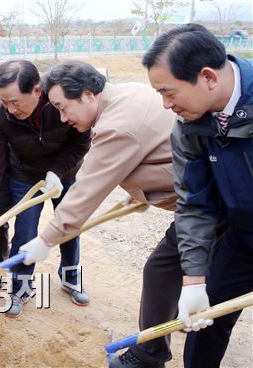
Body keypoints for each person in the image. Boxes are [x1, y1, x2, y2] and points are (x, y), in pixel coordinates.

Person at [17, 60, 182, 367]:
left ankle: (148, 356)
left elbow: (87, 189)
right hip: (199, 199)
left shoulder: (116, 125)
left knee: (162, 272)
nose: (63, 118)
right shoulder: (126, 94)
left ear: (89, 95)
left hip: (210, 206)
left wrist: (46, 238)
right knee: (177, 272)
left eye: (64, 108)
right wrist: (143, 193)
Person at [139, 24, 252, 368]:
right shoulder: (191, 126)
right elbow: (194, 203)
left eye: (169, 92)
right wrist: (193, 279)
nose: (165, 104)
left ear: (207, 77)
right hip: (243, 239)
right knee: (206, 320)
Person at [0, 60, 91, 318]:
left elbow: (80, 143)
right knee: (24, 232)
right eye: (4, 102)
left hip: (63, 174)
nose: (10, 110)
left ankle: (70, 276)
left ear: (36, 91)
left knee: (69, 227)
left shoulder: (60, 101)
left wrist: (57, 171)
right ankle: (20, 287)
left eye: (15, 102)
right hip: (25, 176)